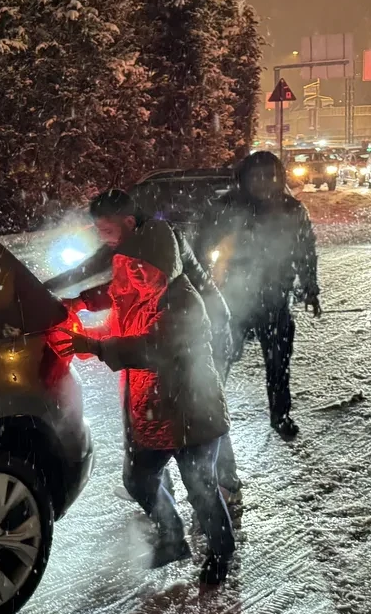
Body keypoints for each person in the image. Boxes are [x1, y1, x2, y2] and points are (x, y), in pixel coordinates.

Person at [53, 189, 236, 585]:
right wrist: (82, 302)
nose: (130, 278)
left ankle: (221, 554)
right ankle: (172, 537)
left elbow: (155, 349)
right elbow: (116, 294)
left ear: (156, 267)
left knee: (200, 486)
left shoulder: (181, 300)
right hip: (153, 407)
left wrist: (97, 346)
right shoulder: (138, 278)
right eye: (129, 271)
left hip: (188, 405)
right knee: (137, 479)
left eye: (140, 272)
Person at [45, 208, 241, 494]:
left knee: (199, 416)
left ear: (127, 222)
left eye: (107, 230)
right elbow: (122, 287)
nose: (103, 237)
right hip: (175, 337)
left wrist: (96, 345)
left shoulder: (160, 246)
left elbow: (148, 339)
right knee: (158, 412)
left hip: (203, 330)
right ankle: (161, 485)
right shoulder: (132, 249)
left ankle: (223, 484)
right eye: (99, 230)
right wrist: (75, 300)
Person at [197, 152, 321, 439]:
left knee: (278, 361)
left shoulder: (291, 209)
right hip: (232, 298)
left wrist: (310, 288)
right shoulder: (226, 208)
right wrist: (201, 288)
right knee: (222, 355)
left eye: (270, 176)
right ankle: (209, 414)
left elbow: (305, 251)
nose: (264, 182)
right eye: (257, 176)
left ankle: (281, 415)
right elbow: (201, 246)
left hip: (275, 297)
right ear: (244, 179)